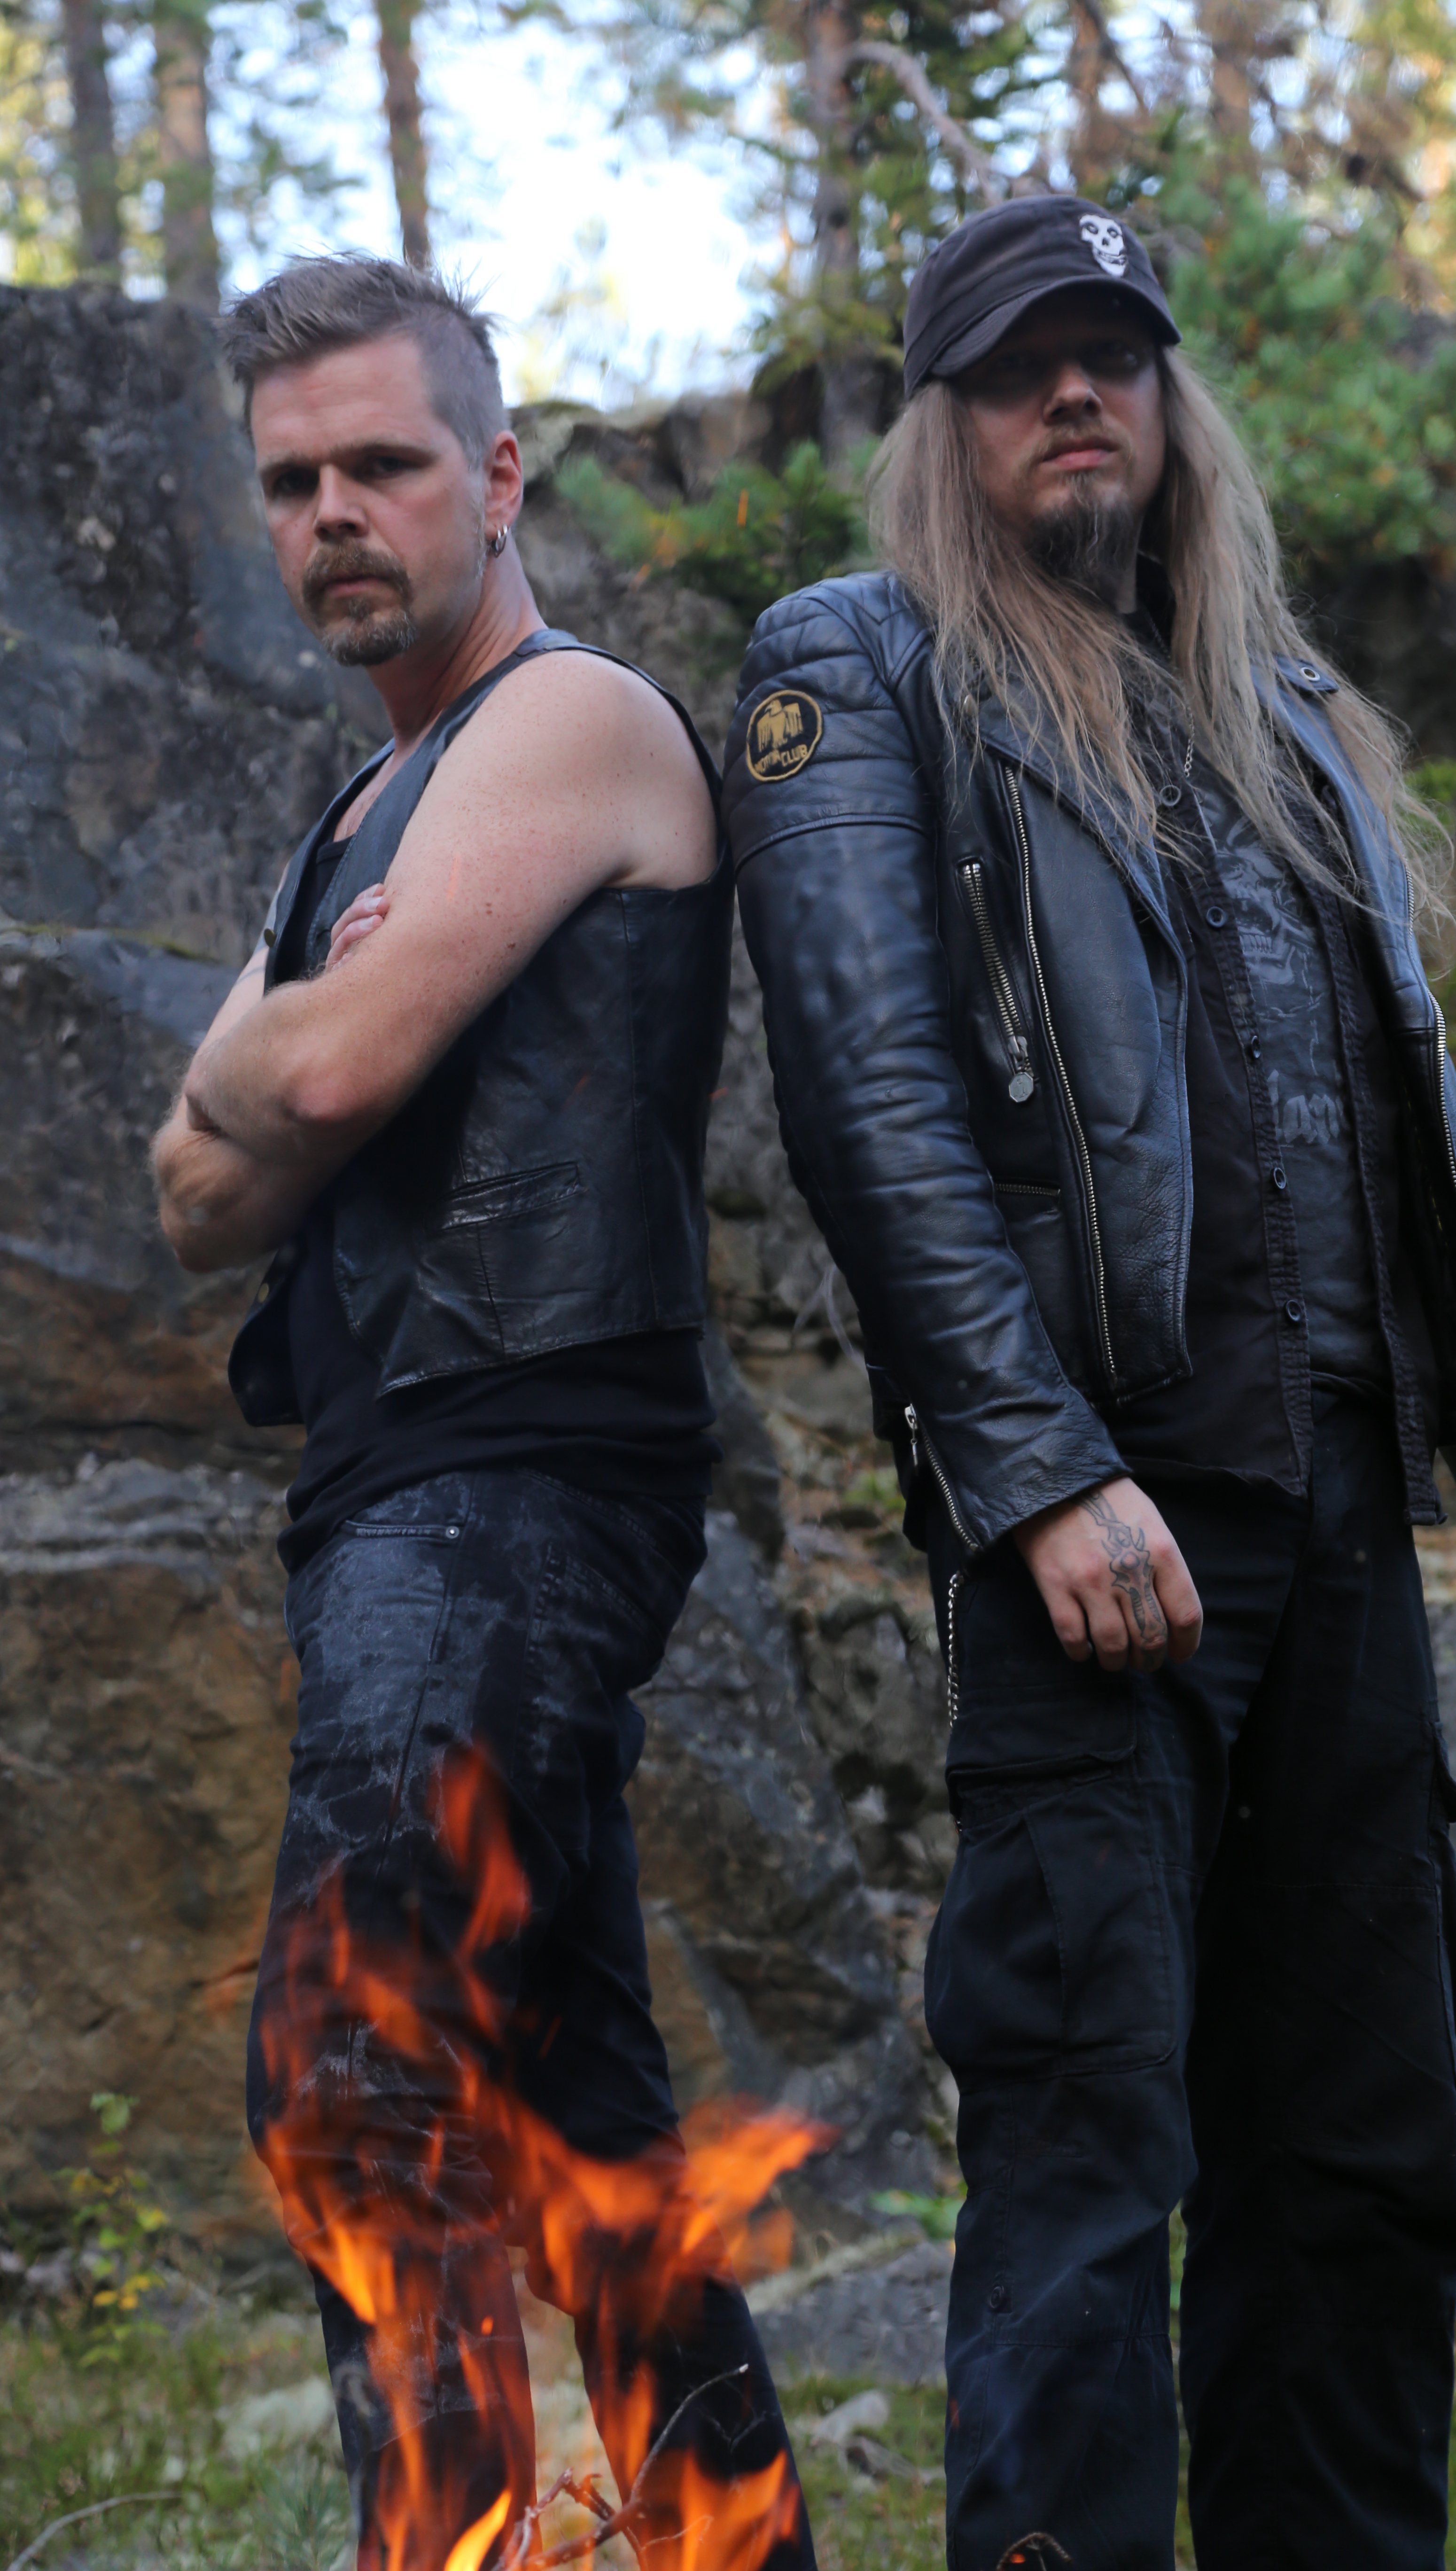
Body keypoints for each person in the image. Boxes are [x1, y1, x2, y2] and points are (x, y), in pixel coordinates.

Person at [723, 195, 1456, 2571]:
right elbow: (870, 1109)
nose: (1076, 391)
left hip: (1340, 1534)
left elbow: (1419, 1104)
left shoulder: (1287, 714)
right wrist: (1036, 1477)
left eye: (1114, 352)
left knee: (1357, 2164)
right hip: (1098, 1541)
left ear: (1170, 395)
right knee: (1087, 2146)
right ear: (944, 419)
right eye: (1022, 363)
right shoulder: (860, 666)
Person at [152, 255, 812, 2571]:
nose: (334, 514)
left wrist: (295, 1040)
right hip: (405, 1497)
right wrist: (306, 1040)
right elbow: (188, 1196)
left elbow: (310, 1082)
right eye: (292, 482)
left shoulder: (570, 720)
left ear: (500, 473)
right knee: (581, 2135)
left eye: (384, 464)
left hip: (509, 1482)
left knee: (359, 2068)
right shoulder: (366, 809)